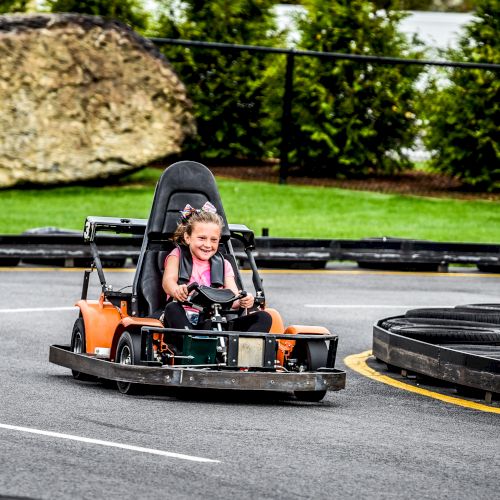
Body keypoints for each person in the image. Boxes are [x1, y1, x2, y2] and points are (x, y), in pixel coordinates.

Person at [161, 201, 272, 333]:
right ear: (188, 237)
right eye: (202, 238)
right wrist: (177, 290)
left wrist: (244, 300)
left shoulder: (223, 264)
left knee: (264, 317)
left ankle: (243, 349)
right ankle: (192, 345)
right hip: (183, 319)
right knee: (172, 308)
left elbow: (233, 298)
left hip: (216, 321)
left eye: (213, 240)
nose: (208, 245)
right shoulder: (177, 256)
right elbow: (168, 282)